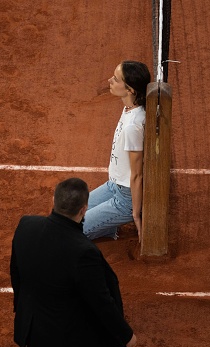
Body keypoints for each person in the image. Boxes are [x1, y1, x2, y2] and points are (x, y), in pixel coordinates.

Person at [10, 177, 137, 347]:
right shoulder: (84, 252)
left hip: (35, 329)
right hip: (67, 345)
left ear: (54, 200)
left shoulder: (26, 225)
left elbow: (16, 275)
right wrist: (125, 335)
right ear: (84, 210)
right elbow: (101, 301)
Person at [83, 60, 151, 241]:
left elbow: (137, 176)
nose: (109, 80)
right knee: (65, 217)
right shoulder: (130, 107)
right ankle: (107, 226)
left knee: (70, 231)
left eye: (116, 79)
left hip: (125, 200)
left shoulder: (133, 126)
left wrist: (135, 215)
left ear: (130, 90)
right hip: (113, 186)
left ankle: (111, 220)